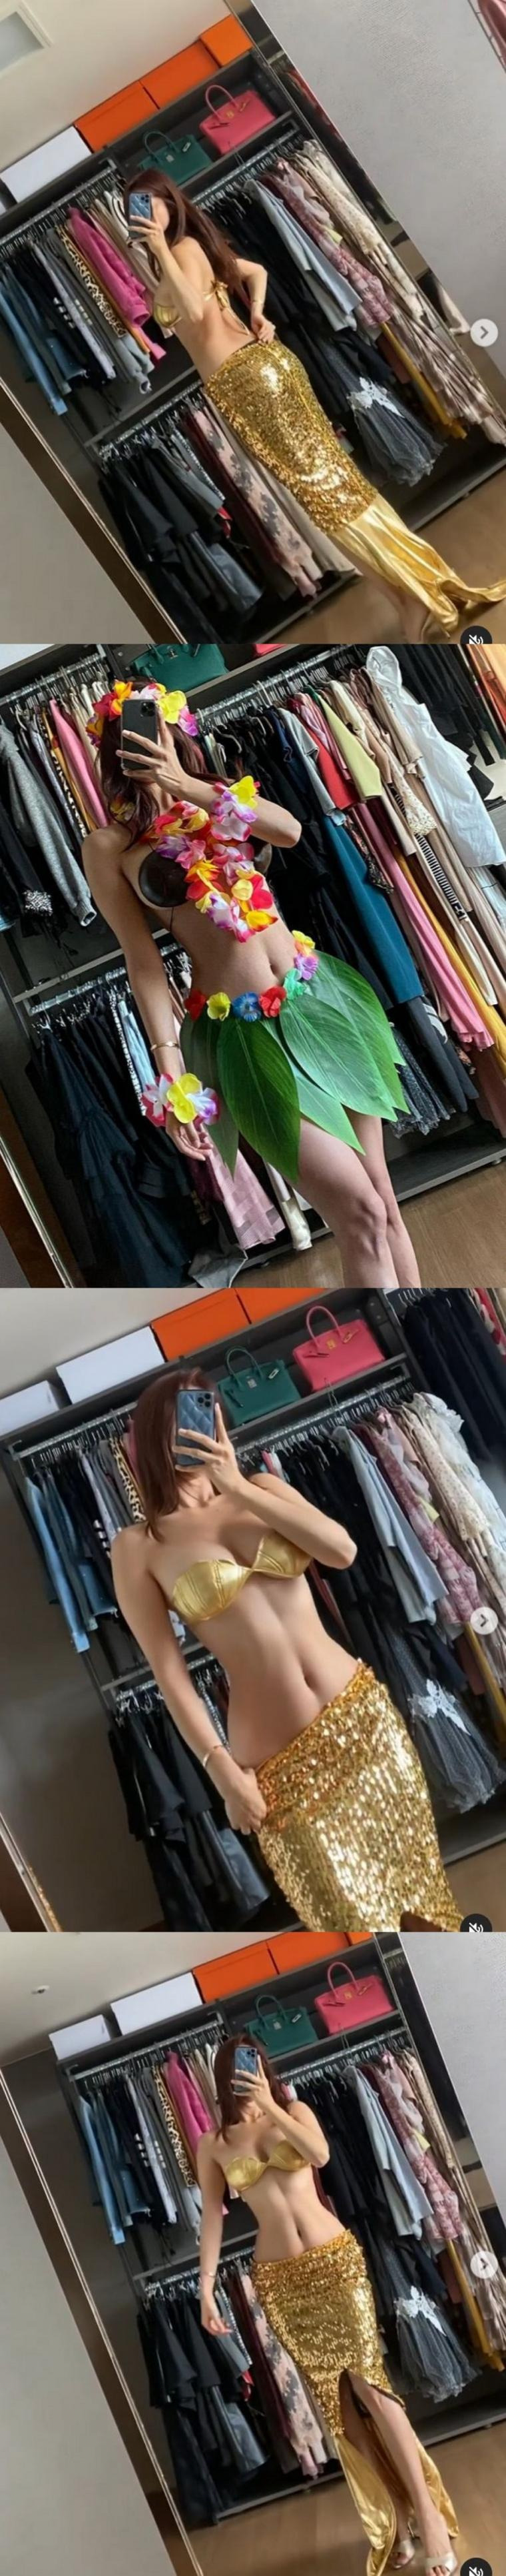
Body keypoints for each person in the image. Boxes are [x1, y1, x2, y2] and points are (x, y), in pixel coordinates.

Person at [83, 675, 422, 1291]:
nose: (147, 738)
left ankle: (418, 1329)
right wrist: (169, 1069)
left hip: (317, 1002)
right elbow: (143, 961)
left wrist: (188, 786)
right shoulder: (110, 846)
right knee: (360, 1213)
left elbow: (289, 831)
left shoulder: (215, 797)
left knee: (383, 1203)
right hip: (244, 1038)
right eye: (129, 730)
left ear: (177, 731)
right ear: (111, 749)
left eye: (157, 724)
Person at [110, 1367, 461, 1931]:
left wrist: (238, 1487)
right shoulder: (139, 1546)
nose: (196, 1432)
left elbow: (341, 1551)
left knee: (426, 1900)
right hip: (280, 1765)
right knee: (351, 1921)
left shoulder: (263, 1490)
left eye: (204, 1414)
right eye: (180, 1421)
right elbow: (169, 1675)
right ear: (154, 1433)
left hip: (364, 1723)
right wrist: (221, 1772)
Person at [124, 171, 506, 640]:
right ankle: (412, 596)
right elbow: (255, 272)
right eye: (135, 207)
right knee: (329, 497)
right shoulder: (176, 257)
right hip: (243, 382)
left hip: (252, 380)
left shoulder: (183, 249)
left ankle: (422, 594)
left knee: (330, 496)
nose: (144, 213)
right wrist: (257, 312)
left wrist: (161, 251)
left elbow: (196, 312)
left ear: (171, 204)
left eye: (151, 202)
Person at [197, 2035, 459, 2576]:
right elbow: (211, 2219)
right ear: (224, 2078)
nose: (251, 2074)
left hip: (336, 2265)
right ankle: (393, 2519)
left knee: (373, 2389)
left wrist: (269, 2106)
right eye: (241, 2069)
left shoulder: (295, 2111)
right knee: (338, 2408)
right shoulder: (213, 2144)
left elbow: (319, 2156)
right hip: (281, 2281)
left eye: (257, 2064)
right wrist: (204, 2287)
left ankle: (430, 2515)